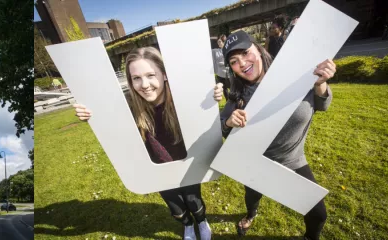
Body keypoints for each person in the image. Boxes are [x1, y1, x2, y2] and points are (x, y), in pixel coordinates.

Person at [73, 47, 212, 240]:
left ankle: (201, 221)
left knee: (193, 200)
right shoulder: (129, 107)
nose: (144, 84)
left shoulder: (183, 101)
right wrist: (90, 114)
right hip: (157, 169)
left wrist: (214, 96)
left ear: (164, 75)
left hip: (187, 164)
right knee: (176, 206)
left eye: (150, 75)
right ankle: (188, 225)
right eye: (136, 78)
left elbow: (206, 114)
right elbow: (110, 123)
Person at [213, 30, 335, 240]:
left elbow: (322, 104)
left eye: (246, 53)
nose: (242, 63)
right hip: (255, 161)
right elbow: (223, 129)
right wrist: (228, 122)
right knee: (251, 197)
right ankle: (251, 214)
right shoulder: (236, 96)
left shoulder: (295, 77)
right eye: (234, 61)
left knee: (318, 214)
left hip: (292, 159)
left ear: (259, 50)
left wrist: (320, 82)